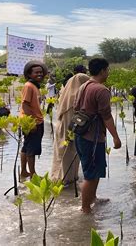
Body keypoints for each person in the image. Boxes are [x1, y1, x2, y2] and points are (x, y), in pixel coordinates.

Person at [73, 58, 121, 214]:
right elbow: (107, 116)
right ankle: (85, 208)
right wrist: (115, 137)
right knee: (90, 174)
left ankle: (92, 198)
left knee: (94, 169)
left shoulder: (83, 86)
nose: (108, 73)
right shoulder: (101, 90)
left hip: (81, 134)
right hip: (92, 138)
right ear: (102, 71)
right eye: (107, 70)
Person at [50, 73, 90, 184]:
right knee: (66, 152)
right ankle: (63, 178)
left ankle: (66, 177)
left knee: (64, 152)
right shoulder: (76, 97)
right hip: (69, 130)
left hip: (63, 128)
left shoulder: (66, 94)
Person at [20, 60, 47, 180]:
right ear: (29, 74)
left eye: (41, 72)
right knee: (31, 149)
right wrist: (32, 122)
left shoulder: (34, 86)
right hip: (32, 122)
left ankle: (24, 172)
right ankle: (33, 175)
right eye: (36, 72)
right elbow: (25, 105)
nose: (39, 74)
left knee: (26, 147)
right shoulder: (29, 86)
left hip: (33, 121)